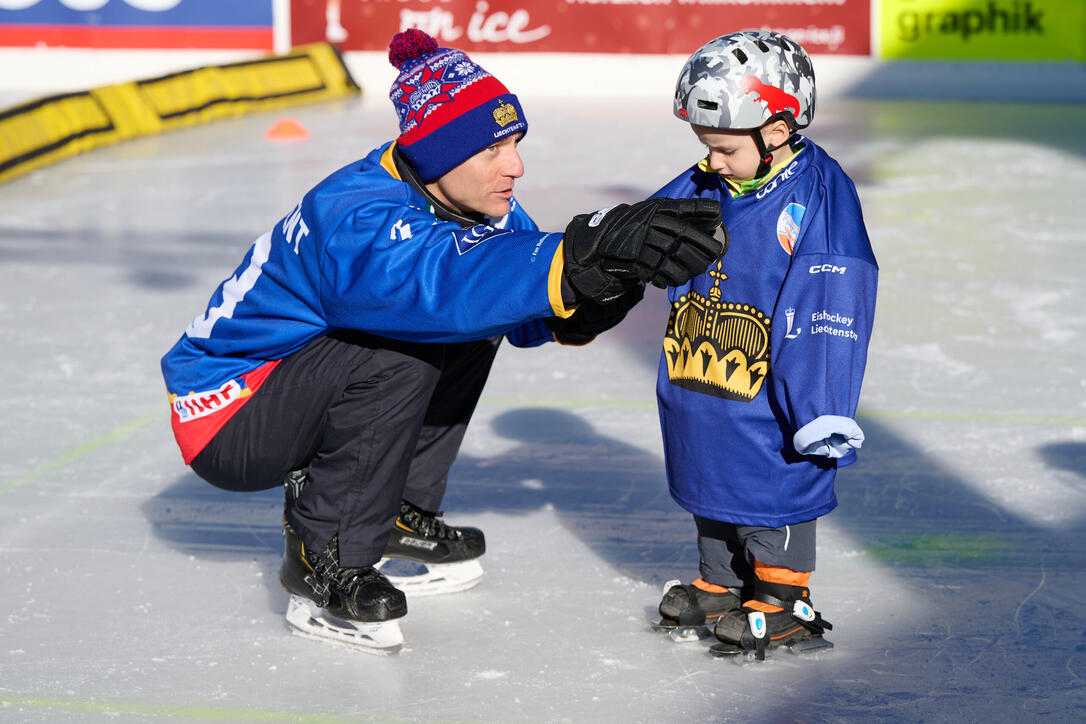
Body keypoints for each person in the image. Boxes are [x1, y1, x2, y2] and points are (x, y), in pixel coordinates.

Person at [160, 28, 726, 654]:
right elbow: (434, 285)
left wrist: (615, 275)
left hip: (293, 386)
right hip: (229, 412)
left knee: (476, 313)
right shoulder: (353, 211)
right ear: (436, 156)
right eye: (492, 149)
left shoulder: (479, 206)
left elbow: (527, 308)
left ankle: (395, 508)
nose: (515, 165)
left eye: (515, 142)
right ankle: (325, 557)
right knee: (403, 341)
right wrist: (583, 251)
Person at [649, 30, 878, 659]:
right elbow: (652, 223)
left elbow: (835, 295)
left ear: (775, 131)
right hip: (703, 364)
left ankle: (783, 598)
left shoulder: (818, 194)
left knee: (769, 472)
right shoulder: (707, 182)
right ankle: (722, 582)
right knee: (705, 457)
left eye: (723, 148)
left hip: (770, 379)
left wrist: (820, 402)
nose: (711, 162)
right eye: (705, 148)